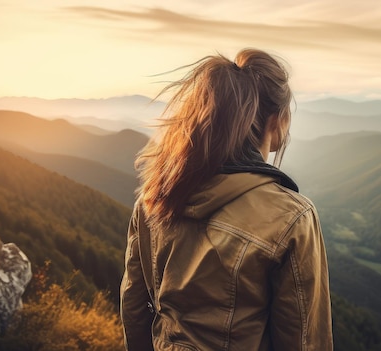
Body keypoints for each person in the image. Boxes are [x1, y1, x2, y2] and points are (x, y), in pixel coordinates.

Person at [120, 48, 333, 350]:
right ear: (277, 119)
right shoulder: (291, 217)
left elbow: (134, 307)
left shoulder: (155, 198)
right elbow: (304, 340)